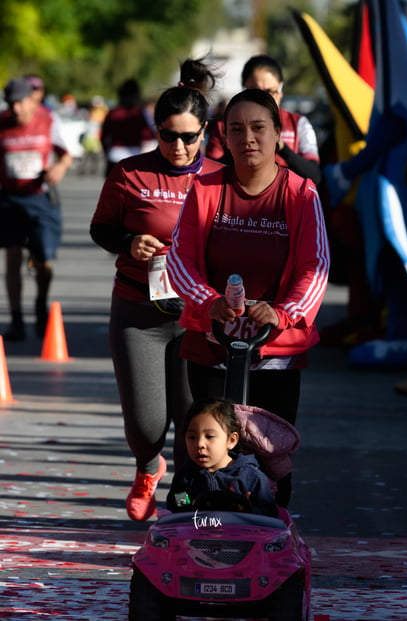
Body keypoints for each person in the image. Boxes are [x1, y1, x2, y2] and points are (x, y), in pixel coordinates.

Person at [167, 88, 330, 507]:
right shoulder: (204, 189)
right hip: (210, 346)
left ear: (279, 135)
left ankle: (270, 532)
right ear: (224, 135)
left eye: (259, 128)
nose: (248, 138)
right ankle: (194, 528)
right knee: (205, 452)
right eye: (236, 129)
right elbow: (179, 260)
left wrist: (282, 313)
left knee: (268, 456)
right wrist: (209, 302)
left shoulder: (301, 193)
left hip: (274, 352)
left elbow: (316, 266)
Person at [89, 58, 223, 522]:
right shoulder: (130, 173)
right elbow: (101, 229)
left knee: (195, 426)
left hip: (198, 319)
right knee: (147, 425)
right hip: (139, 314)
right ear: (156, 130)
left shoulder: (220, 178)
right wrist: (129, 241)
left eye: (189, 136)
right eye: (168, 135)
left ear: (205, 131)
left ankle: (185, 505)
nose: (179, 146)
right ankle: (148, 466)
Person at [0, 78, 73, 341]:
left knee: (44, 262)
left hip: (40, 198)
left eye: (20, 102)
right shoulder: (2, 123)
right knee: (12, 257)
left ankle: (41, 303)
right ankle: (17, 318)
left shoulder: (48, 121)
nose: (16, 109)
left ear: (32, 100)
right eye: (11, 104)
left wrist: (59, 168)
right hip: (9, 199)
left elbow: (66, 154)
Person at [205, 54, 321, 185]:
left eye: (269, 91)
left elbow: (313, 176)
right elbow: (211, 173)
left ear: (280, 92)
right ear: (244, 89)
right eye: (255, 91)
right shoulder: (225, 125)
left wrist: (282, 149)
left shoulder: (298, 124)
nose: (262, 99)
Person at [166, 398, 279, 517]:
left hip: (241, 533)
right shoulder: (185, 478)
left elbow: (269, 514)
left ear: (231, 440)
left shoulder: (251, 477)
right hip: (198, 533)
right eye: (192, 437)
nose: (199, 444)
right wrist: (189, 508)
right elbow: (178, 507)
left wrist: (248, 511)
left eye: (209, 436)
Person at [100, 78, 156, 177]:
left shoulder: (113, 113)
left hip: (114, 156)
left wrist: (106, 152)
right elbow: (152, 133)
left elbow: (104, 136)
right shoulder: (142, 113)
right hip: (135, 157)